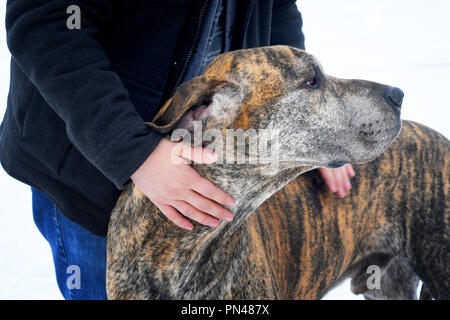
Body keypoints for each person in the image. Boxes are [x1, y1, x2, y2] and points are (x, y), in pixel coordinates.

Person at [0, 0, 354, 299]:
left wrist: (314, 123)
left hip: (223, 164)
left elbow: (275, 10)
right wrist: (131, 151)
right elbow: (50, 22)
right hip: (96, 166)